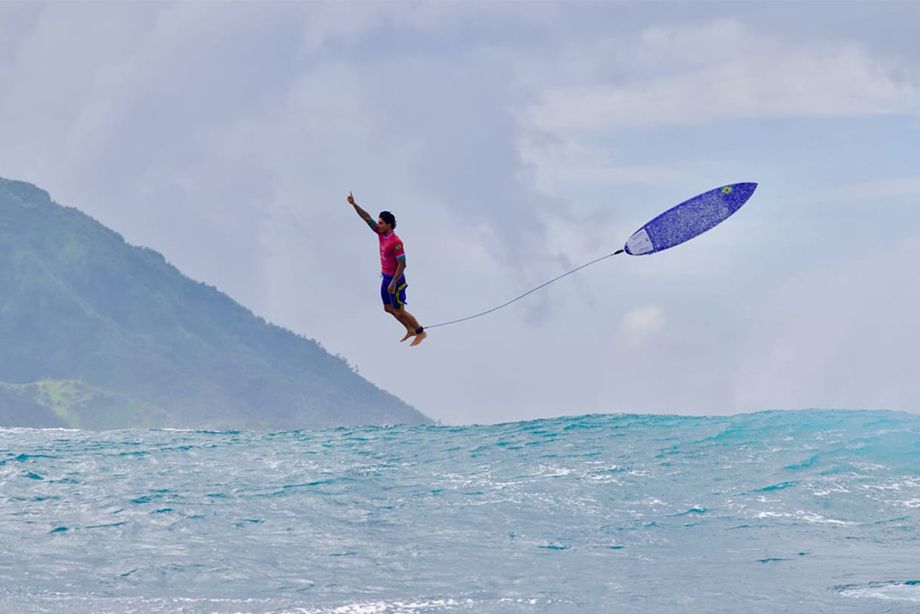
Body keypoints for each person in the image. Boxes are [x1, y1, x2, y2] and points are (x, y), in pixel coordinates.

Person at [347, 192, 427, 346]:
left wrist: (394, 282)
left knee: (399, 311)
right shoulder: (380, 232)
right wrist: (354, 204)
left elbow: (403, 264)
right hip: (386, 277)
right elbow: (366, 217)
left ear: (389, 225)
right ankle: (409, 329)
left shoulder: (396, 242)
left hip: (395, 280)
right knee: (388, 308)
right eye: (379, 222)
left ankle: (420, 331)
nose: (378, 225)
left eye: (382, 223)